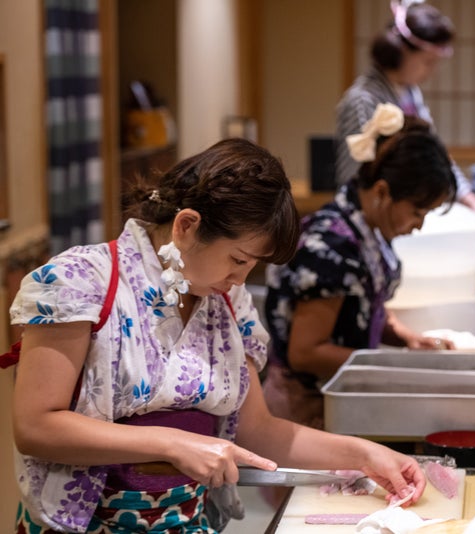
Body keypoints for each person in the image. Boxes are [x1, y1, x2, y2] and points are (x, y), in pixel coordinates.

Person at [8, 138, 426, 533]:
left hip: (186, 518)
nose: (239, 279)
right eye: (238, 259)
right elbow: (36, 426)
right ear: (187, 226)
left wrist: (364, 454)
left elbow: (258, 431)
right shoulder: (79, 281)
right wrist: (171, 442)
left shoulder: (227, 303)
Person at [263, 103, 457, 430]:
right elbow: (306, 353)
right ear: (382, 192)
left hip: (337, 397)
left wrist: (406, 338)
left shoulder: (366, 228)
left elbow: (362, 308)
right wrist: (387, 366)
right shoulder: (331, 245)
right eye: (417, 212)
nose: (419, 225)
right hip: (303, 406)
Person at [335, 0, 475, 239]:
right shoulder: (363, 99)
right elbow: (357, 177)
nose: (431, 71)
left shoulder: (409, 92)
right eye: (428, 62)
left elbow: (435, 156)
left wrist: (474, 204)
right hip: (366, 225)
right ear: (400, 52)